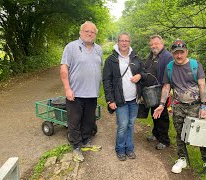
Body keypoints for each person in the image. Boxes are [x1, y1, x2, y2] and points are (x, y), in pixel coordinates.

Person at [153, 39, 206, 177]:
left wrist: (204, 106)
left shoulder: (195, 65)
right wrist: (161, 105)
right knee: (180, 134)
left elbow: (202, 86)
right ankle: (182, 159)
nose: (179, 56)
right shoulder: (169, 67)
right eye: (176, 53)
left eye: (182, 52)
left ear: (186, 52)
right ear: (172, 53)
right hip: (178, 107)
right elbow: (166, 87)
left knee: (202, 135)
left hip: (196, 106)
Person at [60, 21, 103, 162]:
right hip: (75, 93)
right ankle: (76, 147)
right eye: (87, 31)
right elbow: (63, 69)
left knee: (89, 121)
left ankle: (85, 142)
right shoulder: (71, 47)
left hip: (92, 93)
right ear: (81, 32)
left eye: (93, 32)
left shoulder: (99, 49)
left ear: (95, 34)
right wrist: (67, 88)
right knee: (74, 121)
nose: (90, 34)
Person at [103, 33, 144, 161]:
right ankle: (120, 149)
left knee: (131, 124)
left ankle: (129, 148)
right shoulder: (111, 59)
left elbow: (144, 71)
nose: (124, 43)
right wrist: (110, 100)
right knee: (123, 125)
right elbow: (106, 80)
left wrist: (140, 76)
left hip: (134, 98)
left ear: (130, 42)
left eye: (126, 41)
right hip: (120, 99)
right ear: (118, 42)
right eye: (122, 40)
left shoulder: (136, 57)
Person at [142, 35, 173, 150]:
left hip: (161, 91)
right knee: (154, 114)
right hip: (150, 92)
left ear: (162, 44)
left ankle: (164, 140)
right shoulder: (151, 56)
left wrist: (167, 91)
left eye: (156, 43)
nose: (154, 46)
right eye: (152, 44)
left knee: (162, 116)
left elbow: (170, 76)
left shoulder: (167, 57)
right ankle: (156, 134)